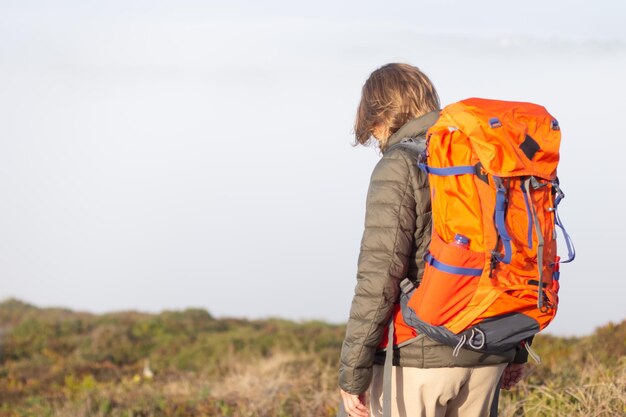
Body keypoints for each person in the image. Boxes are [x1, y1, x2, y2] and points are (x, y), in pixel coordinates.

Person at [338, 63, 528, 417]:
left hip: (417, 356)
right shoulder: (485, 158)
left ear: (380, 116)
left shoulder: (398, 165)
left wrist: (352, 374)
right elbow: (516, 253)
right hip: (488, 349)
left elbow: (379, 279)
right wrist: (515, 347)